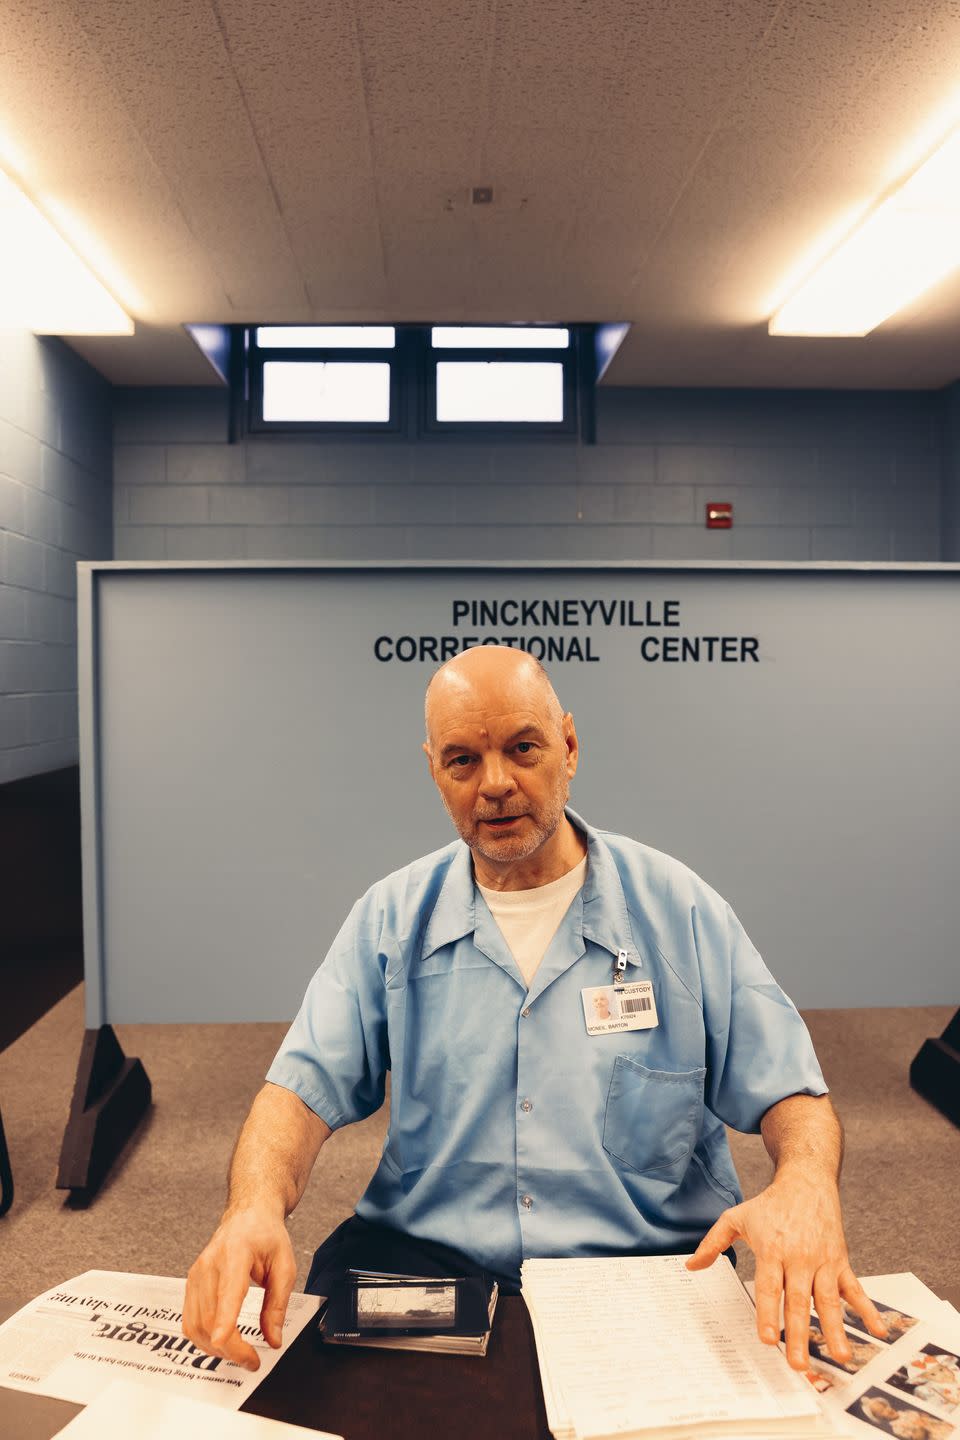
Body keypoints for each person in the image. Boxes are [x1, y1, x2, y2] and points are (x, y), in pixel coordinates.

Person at [183, 645, 886, 1374]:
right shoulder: (392, 919)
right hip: (425, 1263)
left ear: (570, 747)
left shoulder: (678, 910)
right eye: (462, 760)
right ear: (434, 769)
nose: (495, 785)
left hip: (638, 1269)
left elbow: (793, 1095)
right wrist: (253, 1208)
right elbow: (297, 1093)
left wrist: (803, 1182)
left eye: (523, 749)